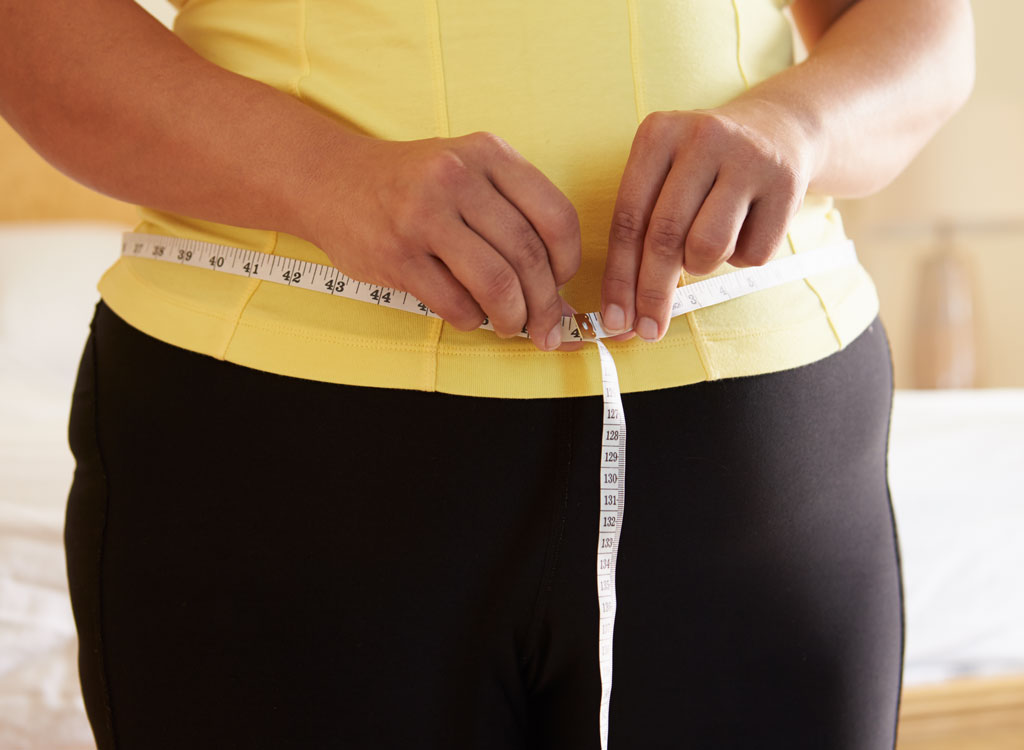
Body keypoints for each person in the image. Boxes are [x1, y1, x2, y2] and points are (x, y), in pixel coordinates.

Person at [0, 0, 974, 747]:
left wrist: (796, 127)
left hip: (759, 454)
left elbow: (922, 33)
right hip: (267, 450)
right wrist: (325, 175)